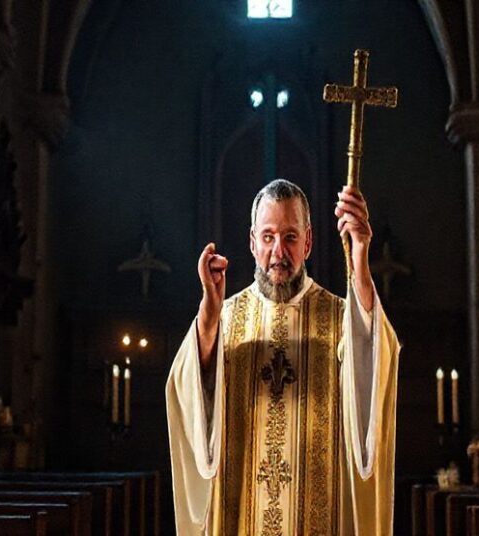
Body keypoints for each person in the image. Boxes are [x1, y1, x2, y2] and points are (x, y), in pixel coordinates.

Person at [166, 179, 400, 535]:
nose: (279, 251)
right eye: (268, 236)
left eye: (290, 237)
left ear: (307, 243)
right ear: (252, 242)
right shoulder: (225, 317)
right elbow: (188, 397)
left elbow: (374, 366)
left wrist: (361, 265)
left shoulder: (341, 319)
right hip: (241, 516)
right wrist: (209, 319)